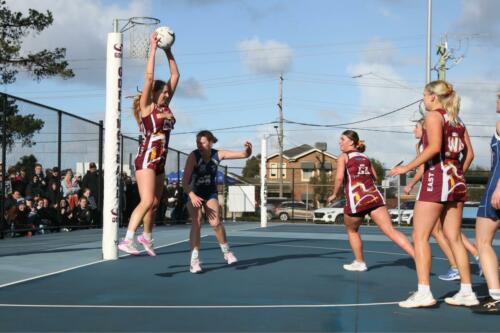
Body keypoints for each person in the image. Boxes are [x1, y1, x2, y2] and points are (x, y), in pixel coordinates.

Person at [390, 80, 478, 308]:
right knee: (455, 237)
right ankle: (467, 291)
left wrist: (405, 168)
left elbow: (433, 147)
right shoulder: (458, 120)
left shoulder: (433, 116)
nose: (422, 100)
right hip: (456, 180)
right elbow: (470, 154)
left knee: (420, 237)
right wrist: (458, 172)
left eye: (423, 95)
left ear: (432, 97)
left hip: (437, 180)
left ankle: (424, 292)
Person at [117, 31, 179, 256]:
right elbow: (149, 77)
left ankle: (147, 236)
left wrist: (169, 50)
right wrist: (153, 48)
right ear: (153, 94)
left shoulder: (165, 107)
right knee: (146, 201)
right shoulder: (147, 108)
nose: (165, 94)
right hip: (146, 159)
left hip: (159, 161)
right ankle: (127, 239)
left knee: (155, 202)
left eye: (165, 93)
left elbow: (175, 75)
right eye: (161, 92)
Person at [327, 130, 415, 272]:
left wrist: (334, 194)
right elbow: (374, 177)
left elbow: (338, 178)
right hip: (374, 197)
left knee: (352, 230)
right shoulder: (365, 157)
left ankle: (360, 262)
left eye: (342, 139)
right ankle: (418, 256)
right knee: (390, 230)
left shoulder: (344, 157)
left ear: (351, 142)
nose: (339, 142)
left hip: (357, 199)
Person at [404, 119, 481, 281]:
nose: (414, 130)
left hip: (435, 186)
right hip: (450, 182)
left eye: (416, 126)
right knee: (448, 232)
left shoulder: (431, 138)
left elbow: (423, 167)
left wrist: (409, 179)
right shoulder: (455, 126)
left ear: (425, 125)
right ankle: (467, 268)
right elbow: (469, 154)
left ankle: (459, 265)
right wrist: (458, 174)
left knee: (429, 233)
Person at [182, 130, 252, 273]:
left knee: (216, 223)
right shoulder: (193, 156)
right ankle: (194, 261)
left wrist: (248, 150)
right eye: (198, 143)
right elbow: (184, 181)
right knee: (197, 221)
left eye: (203, 142)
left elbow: (244, 155)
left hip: (209, 192)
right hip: (192, 192)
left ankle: (227, 252)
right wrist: (192, 195)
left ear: (211, 142)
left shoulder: (218, 154)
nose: (199, 145)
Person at [471, 93, 500, 314]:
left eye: (498, 98)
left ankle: (497, 296)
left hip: (496, 187)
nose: (496, 102)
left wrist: (499, 187)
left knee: (483, 241)